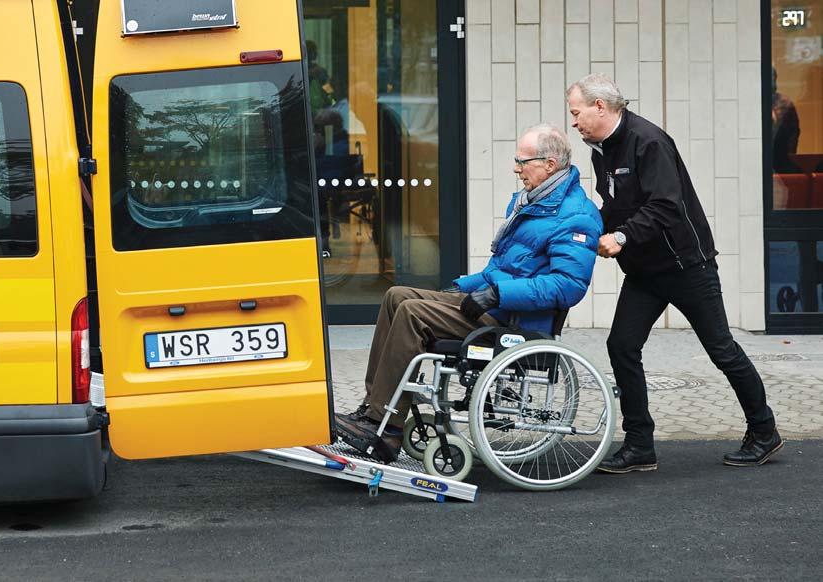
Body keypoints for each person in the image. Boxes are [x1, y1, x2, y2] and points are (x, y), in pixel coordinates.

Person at [335, 124, 602, 463]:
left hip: (515, 320)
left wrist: (496, 294)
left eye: (523, 161)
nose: (515, 168)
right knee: (397, 296)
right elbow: (497, 271)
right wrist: (462, 288)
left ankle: (384, 429)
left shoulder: (575, 216)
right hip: (499, 305)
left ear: (550, 164)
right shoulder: (533, 204)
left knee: (412, 314)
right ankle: (374, 408)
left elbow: (567, 286)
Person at [566, 74, 783, 473]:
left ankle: (764, 432)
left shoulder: (648, 141)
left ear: (600, 106)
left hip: (687, 267)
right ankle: (639, 445)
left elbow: (666, 205)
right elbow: (614, 205)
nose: (574, 122)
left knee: (721, 350)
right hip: (646, 272)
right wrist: (585, 229)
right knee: (622, 346)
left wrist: (623, 237)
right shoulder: (601, 151)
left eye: (577, 113)